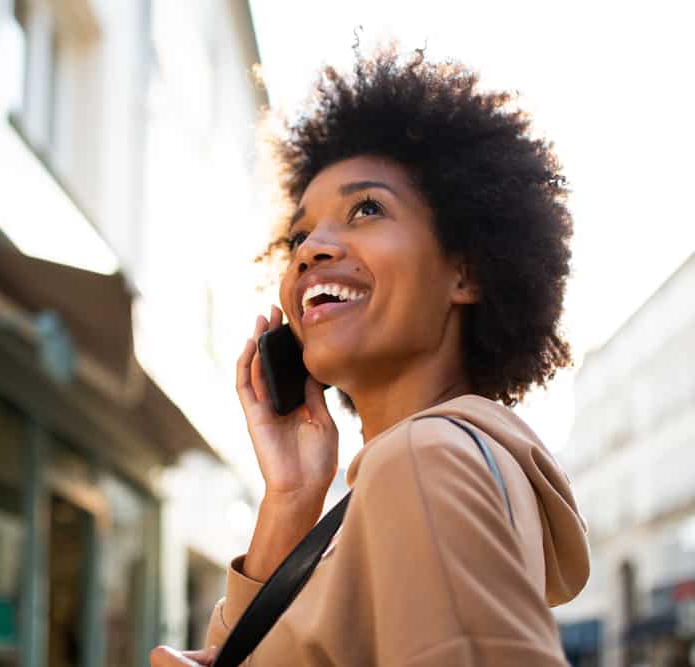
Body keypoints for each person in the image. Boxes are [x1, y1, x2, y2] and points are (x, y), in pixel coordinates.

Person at [151, 44, 590, 667]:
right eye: (300, 234)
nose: (312, 250)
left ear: (465, 272)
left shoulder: (423, 460)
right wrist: (292, 496)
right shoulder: (422, 470)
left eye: (366, 209)